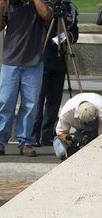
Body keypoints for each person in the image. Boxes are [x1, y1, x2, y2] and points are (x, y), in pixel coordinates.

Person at [0, 0, 53, 158]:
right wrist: (1, 5)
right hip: (10, 62)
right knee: (5, 102)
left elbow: (47, 14)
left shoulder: (40, 2)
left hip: (34, 62)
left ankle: (26, 142)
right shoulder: (9, 3)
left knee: (30, 105)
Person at [33, 0, 78, 146]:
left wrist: (65, 37)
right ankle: (33, 134)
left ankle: (47, 133)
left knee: (54, 100)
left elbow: (74, 31)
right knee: (38, 98)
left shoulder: (69, 7)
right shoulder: (44, 4)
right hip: (42, 56)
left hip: (61, 57)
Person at [53, 92, 102, 160]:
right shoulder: (66, 112)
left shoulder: (100, 109)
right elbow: (60, 132)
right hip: (78, 130)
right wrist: (69, 139)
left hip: (98, 127)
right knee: (61, 152)